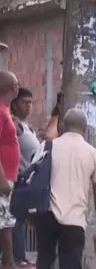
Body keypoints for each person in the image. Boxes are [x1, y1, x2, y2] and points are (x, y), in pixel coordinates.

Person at [33, 108, 96, 268]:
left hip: (47, 215)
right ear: (85, 129)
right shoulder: (94, 154)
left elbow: (34, 181)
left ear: (62, 125)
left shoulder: (46, 146)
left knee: (44, 261)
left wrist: (31, 214)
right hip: (75, 221)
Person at [10, 87, 38, 268]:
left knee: (22, 222)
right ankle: (16, 258)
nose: (28, 106)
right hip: (18, 179)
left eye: (30, 102)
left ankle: (21, 256)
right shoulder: (14, 124)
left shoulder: (28, 126)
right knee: (16, 222)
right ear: (15, 104)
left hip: (29, 180)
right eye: (24, 102)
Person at [0, 70, 20, 269]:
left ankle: (8, 262)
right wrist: (2, 181)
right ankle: (9, 263)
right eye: (16, 83)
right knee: (4, 221)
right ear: (11, 88)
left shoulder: (5, 110)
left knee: (5, 220)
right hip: (2, 177)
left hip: (8, 176)